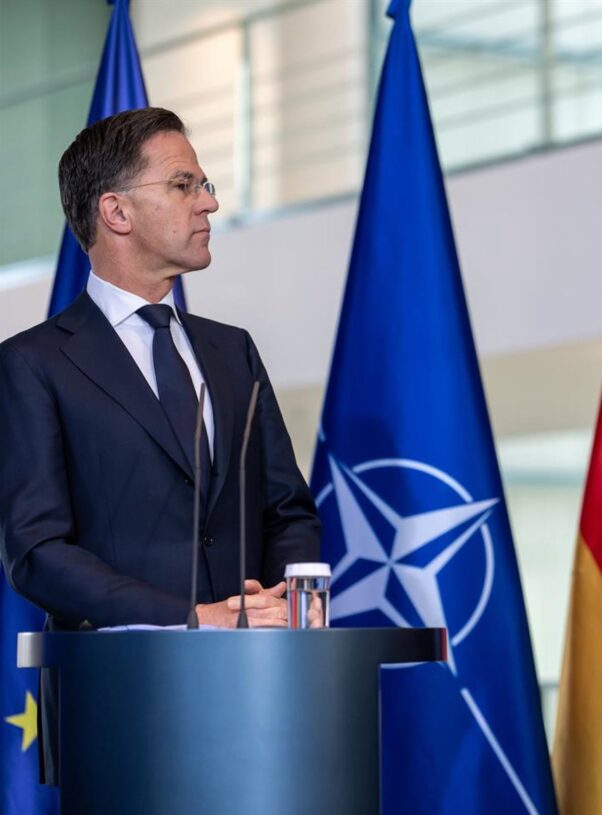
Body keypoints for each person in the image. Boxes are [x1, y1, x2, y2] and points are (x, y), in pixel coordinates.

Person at [0, 107, 321, 781]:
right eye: (184, 184)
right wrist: (190, 617)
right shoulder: (31, 364)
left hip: (259, 694)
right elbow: (36, 550)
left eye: (204, 184)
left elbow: (286, 507)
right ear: (115, 212)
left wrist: (297, 598)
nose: (209, 201)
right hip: (116, 697)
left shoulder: (232, 351)